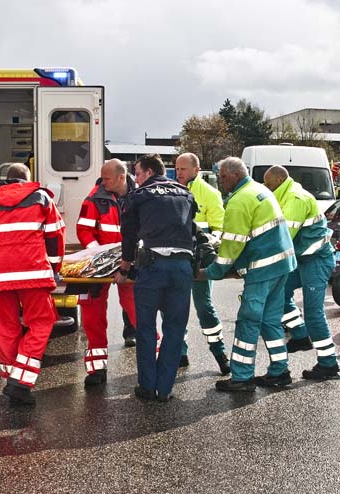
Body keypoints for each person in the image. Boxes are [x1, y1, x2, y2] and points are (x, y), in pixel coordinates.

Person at [200, 157, 296, 392]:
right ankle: (280, 371)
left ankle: (242, 378)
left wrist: (211, 272)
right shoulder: (259, 190)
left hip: (262, 269)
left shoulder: (239, 201)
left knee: (248, 321)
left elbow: (232, 246)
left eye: (222, 176)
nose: (220, 181)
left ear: (234, 175)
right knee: (271, 321)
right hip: (281, 265)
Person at [117, 154, 197, 401]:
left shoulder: (140, 196)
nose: (136, 179)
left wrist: (124, 267)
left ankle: (147, 387)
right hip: (182, 268)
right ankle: (165, 390)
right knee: (174, 328)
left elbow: (129, 236)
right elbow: (193, 229)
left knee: (146, 329)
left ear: (149, 173)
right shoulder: (186, 194)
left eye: (138, 174)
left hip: (152, 268)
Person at [0, 163, 65, 406]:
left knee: (6, 327)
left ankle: (11, 380)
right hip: (32, 270)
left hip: (0, 273)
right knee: (42, 322)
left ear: (7, 180)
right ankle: (20, 382)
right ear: (27, 179)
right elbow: (55, 235)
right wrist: (55, 268)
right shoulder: (41, 197)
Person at [263, 165, 340, 381]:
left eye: (268, 183)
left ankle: (329, 364)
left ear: (279, 180)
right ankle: (300, 334)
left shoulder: (295, 198)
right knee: (278, 293)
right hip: (303, 258)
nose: (265, 187)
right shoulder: (284, 196)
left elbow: (284, 237)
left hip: (316, 259)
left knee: (314, 312)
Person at [75, 159, 139, 385]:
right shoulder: (94, 199)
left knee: (139, 311)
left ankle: (151, 363)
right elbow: (84, 230)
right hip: (100, 265)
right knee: (93, 316)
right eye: (102, 177)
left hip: (130, 263)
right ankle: (97, 370)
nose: (103, 182)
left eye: (107, 178)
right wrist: (99, 256)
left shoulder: (139, 196)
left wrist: (131, 258)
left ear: (121, 177)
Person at [174, 153, 230, 375]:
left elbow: (219, 227)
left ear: (196, 170)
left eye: (183, 169)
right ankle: (180, 353)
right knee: (177, 307)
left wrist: (210, 242)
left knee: (203, 306)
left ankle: (220, 353)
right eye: (177, 169)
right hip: (176, 258)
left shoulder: (210, 194)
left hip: (199, 259)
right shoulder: (171, 191)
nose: (179, 173)